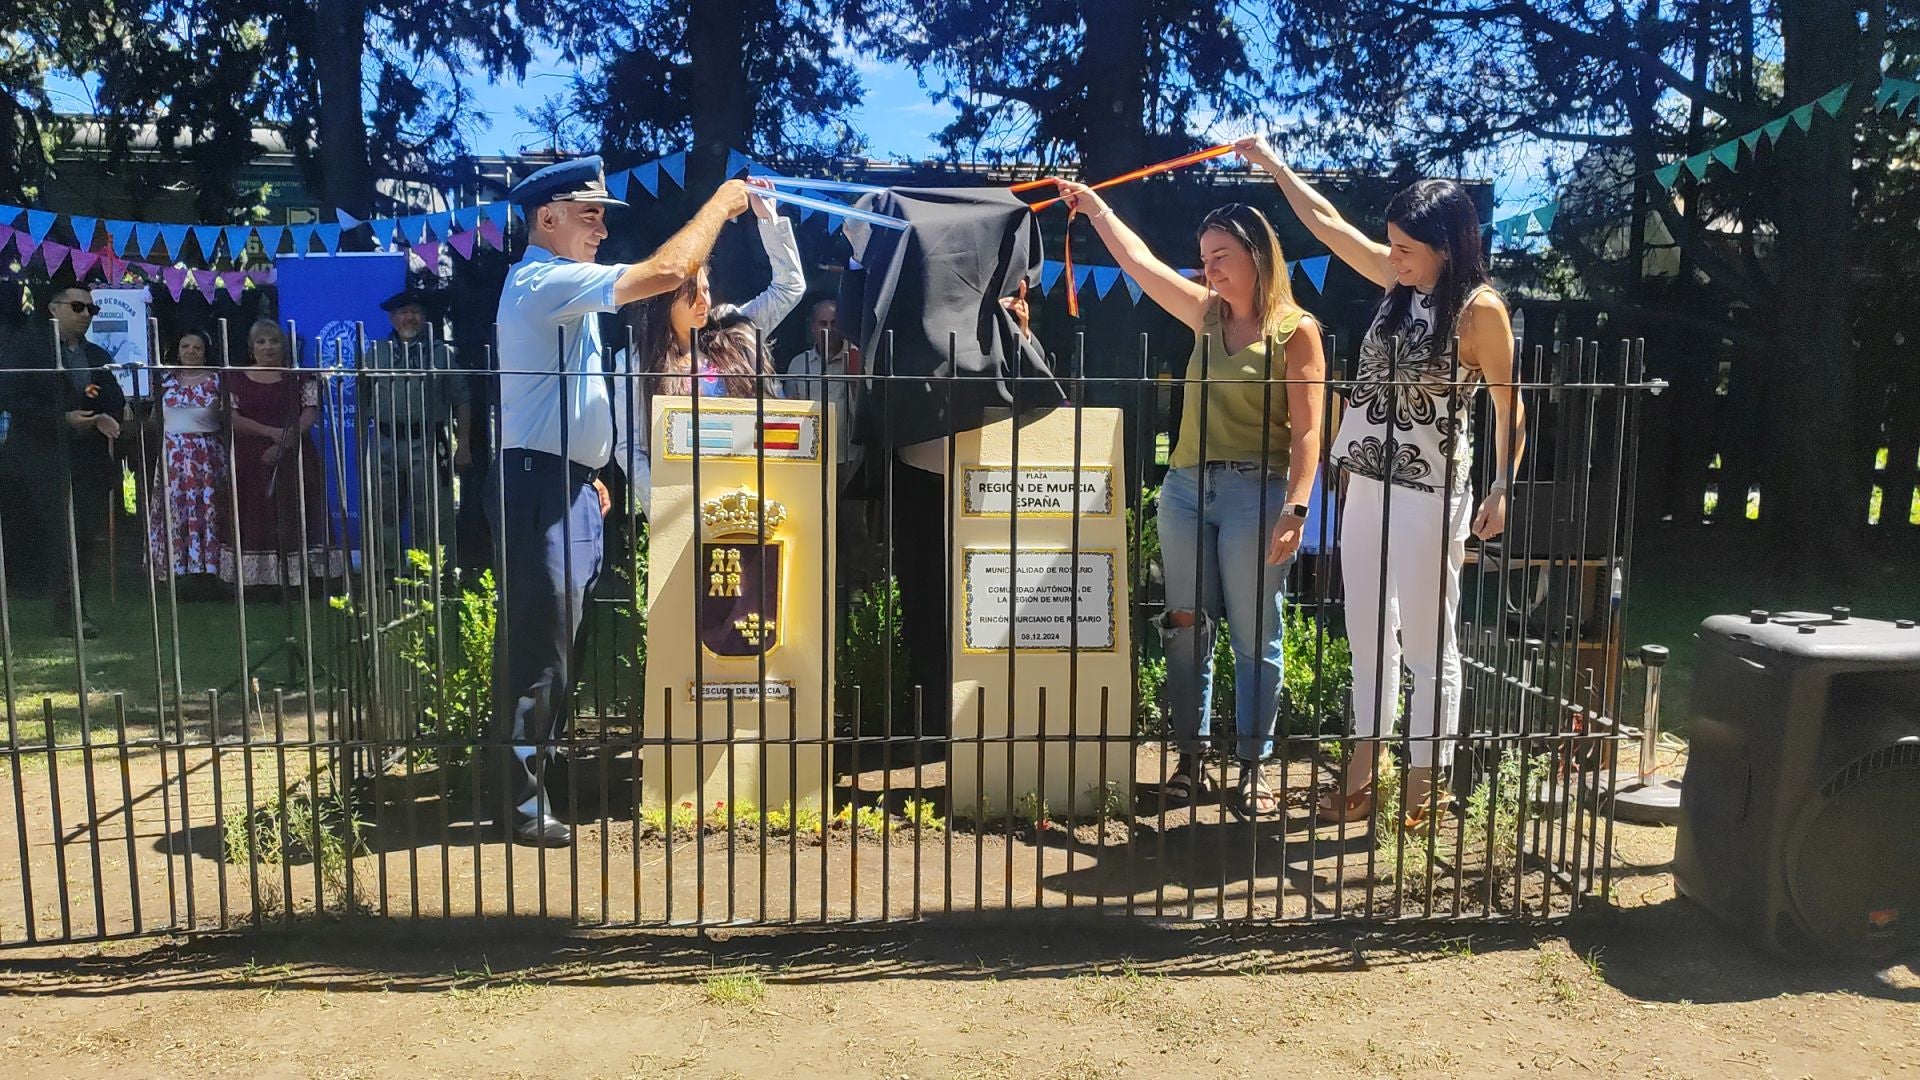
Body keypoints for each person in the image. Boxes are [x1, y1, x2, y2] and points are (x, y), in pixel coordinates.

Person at [1231, 135, 1526, 829]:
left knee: (1429, 645)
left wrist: (1502, 487)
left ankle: (1427, 782)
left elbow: (1513, 407)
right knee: (1369, 636)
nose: (1391, 256)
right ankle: (1365, 771)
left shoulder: (1481, 310)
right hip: (1365, 483)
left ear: (1448, 246)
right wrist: (1276, 164)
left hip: (1432, 493)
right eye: (1390, 245)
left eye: (1405, 247)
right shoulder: (1399, 285)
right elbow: (1329, 226)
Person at [490, 155, 751, 848]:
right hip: (538, 482)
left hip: (565, 481)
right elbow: (667, 274)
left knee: (558, 642)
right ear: (546, 218)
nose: (602, 228)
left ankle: (533, 782)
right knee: (537, 647)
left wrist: (587, 471)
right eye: (589, 214)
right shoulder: (542, 279)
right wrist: (721, 207)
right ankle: (518, 804)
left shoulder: (556, 285)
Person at [1055, 182, 1327, 819]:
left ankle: (1255, 768)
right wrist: (1097, 210)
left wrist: (1297, 507)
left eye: (1220, 254)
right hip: (1183, 490)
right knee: (1185, 627)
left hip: (1255, 493)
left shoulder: (1296, 331)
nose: (1207, 267)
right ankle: (1190, 761)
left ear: (1257, 254)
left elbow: (1311, 429)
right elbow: (1142, 267)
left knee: (1256, 634)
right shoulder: (1205, 313)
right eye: (1204, 257)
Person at [609, 184, 801, 515]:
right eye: (691, 293)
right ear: (664, 300)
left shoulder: (734, 330)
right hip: (680, 502)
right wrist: (664, 511)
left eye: (707, 290)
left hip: (751, 495)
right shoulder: (635, 361)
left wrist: (769, 222)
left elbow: (789, 287)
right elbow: (631, 448)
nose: (704, 301)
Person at [0, 285, 127, 637]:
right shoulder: (27, 350)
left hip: (85, 460)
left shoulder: (97, 355)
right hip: (36, 458)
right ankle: (37, 603)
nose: (86, 314)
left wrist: (105, 418)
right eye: (77, 307)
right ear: (54, 309)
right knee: (47, 536)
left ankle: (72, 612)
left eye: (91, 309)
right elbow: (12, 398)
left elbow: (112, 398)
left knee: (81, 535)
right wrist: (62, 419)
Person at [221, 320, 341, 587]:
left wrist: (283, 442)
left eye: (274, 341)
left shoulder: (300, 378)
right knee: (253, 513)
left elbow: (309, 413)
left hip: (294, 457)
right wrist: (269, 433)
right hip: (249, 460)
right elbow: (231, 417)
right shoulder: (235, 378)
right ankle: (256, 579)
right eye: (261, 342)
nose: (268, 347)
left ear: (284, 346)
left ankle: (300, 578)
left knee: (295, 510)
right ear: (252, 348)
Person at [363, 288, 471, 576]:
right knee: (383, 510)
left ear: (424, 317)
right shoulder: (376, 353)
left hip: (426, 440)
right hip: (385, 441)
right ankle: (388, 573)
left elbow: (462, 399)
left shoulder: (441, 354)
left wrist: (464, 445)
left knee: (433, 512)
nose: (410, 318)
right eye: (403, 312)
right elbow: (363, 397)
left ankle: (434, 573)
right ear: (392, 318)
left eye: (416, 312)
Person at [146, 328, 227, 590]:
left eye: (197, 347)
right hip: (173, 457)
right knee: (176, 512)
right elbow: (153, 419)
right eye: (185, 346)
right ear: (177, 351)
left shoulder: (218, 380)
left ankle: (211, 570)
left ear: (206, 352)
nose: (190, 352)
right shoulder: (164, 380)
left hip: (207, 457)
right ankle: (177, 570)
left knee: (209, 510)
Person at [781, 297, 862, 477]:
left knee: (848, 506)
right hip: (809, 458)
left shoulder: (856, 360)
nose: (830, 329)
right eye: (823, 323)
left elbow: (864, 414)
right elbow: (788, 415)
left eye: (834, 323)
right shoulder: (799, 365)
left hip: (848, 458)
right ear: (813, 328)